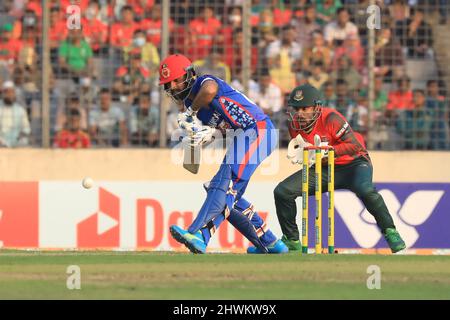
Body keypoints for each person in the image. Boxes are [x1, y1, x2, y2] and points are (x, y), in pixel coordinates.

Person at [159, 54, 287, 254]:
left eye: (176, 80)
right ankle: (270, 243)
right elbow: (227, 126)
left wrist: (189, 112)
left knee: (224, 186)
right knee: (224, 192)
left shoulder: (204, 83)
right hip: (244, 135)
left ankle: (199, 234)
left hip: (258, 131)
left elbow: (210, 91)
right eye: (168, 84)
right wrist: (208, 135)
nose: (173, 87)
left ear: (189, 75)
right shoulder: (199, 111)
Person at [272, 83, 406, 254]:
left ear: (316, 107)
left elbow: (354, 146)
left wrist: (328, 151)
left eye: (304, 108)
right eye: (296, 109)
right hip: (325, 169)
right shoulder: (294, 126)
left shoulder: (331, 119)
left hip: (354, 164)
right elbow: (309, 154)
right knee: (283, 192)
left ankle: (390, 232)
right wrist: (308, 158)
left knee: (365, 190)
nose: (299, 113)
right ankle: (292, 241)